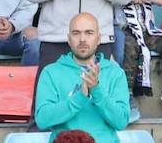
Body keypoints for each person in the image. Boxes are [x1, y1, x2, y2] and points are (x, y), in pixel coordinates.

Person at [33, 13, 130, 143]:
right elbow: (43, 120)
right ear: (68, 39)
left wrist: (97, 90)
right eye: (76, 33)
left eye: (89, 33)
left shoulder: (115, 73)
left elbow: (121, 122)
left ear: (98, 39)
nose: (82, 39)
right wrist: (80, 97)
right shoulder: (51, 72)